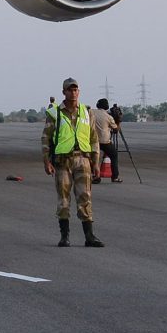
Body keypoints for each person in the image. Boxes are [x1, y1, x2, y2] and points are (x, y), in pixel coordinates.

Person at [41, 79, 106, 247]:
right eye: (69, 90)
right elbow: (46, 138)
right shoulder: (54, 113)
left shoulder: (86, 112)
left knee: (85, 197)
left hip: (83, 160)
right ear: (64, 92)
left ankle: (89, 236)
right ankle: (64, 236)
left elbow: (94, 139)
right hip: (63, 161)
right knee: (63, 199)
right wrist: (46, 161)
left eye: (75, 90)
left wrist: (96, 162)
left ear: (79, 92)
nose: (73, 93)